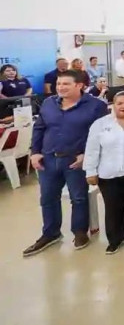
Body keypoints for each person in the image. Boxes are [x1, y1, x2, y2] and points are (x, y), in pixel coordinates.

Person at [22, 70, 108, 257]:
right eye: (59, 84)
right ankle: (50, 233)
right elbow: (39, 129)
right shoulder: (48, 103)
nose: (60, 87)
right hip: (48, 158)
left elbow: (102, 134)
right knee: (47, 198)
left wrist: (87, 155)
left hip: (76, 160)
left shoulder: (96, 106)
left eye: (66, 84)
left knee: (78, 198)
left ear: (79, 86)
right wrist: (35, 152)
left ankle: (79, 232)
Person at [83, 91, 124, 254]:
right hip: (108, 174)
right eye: (120, 103)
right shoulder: (101, 124)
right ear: (113, 106)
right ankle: (115, 239)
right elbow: (92, 149)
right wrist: (90, 171)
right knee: (112, 208)